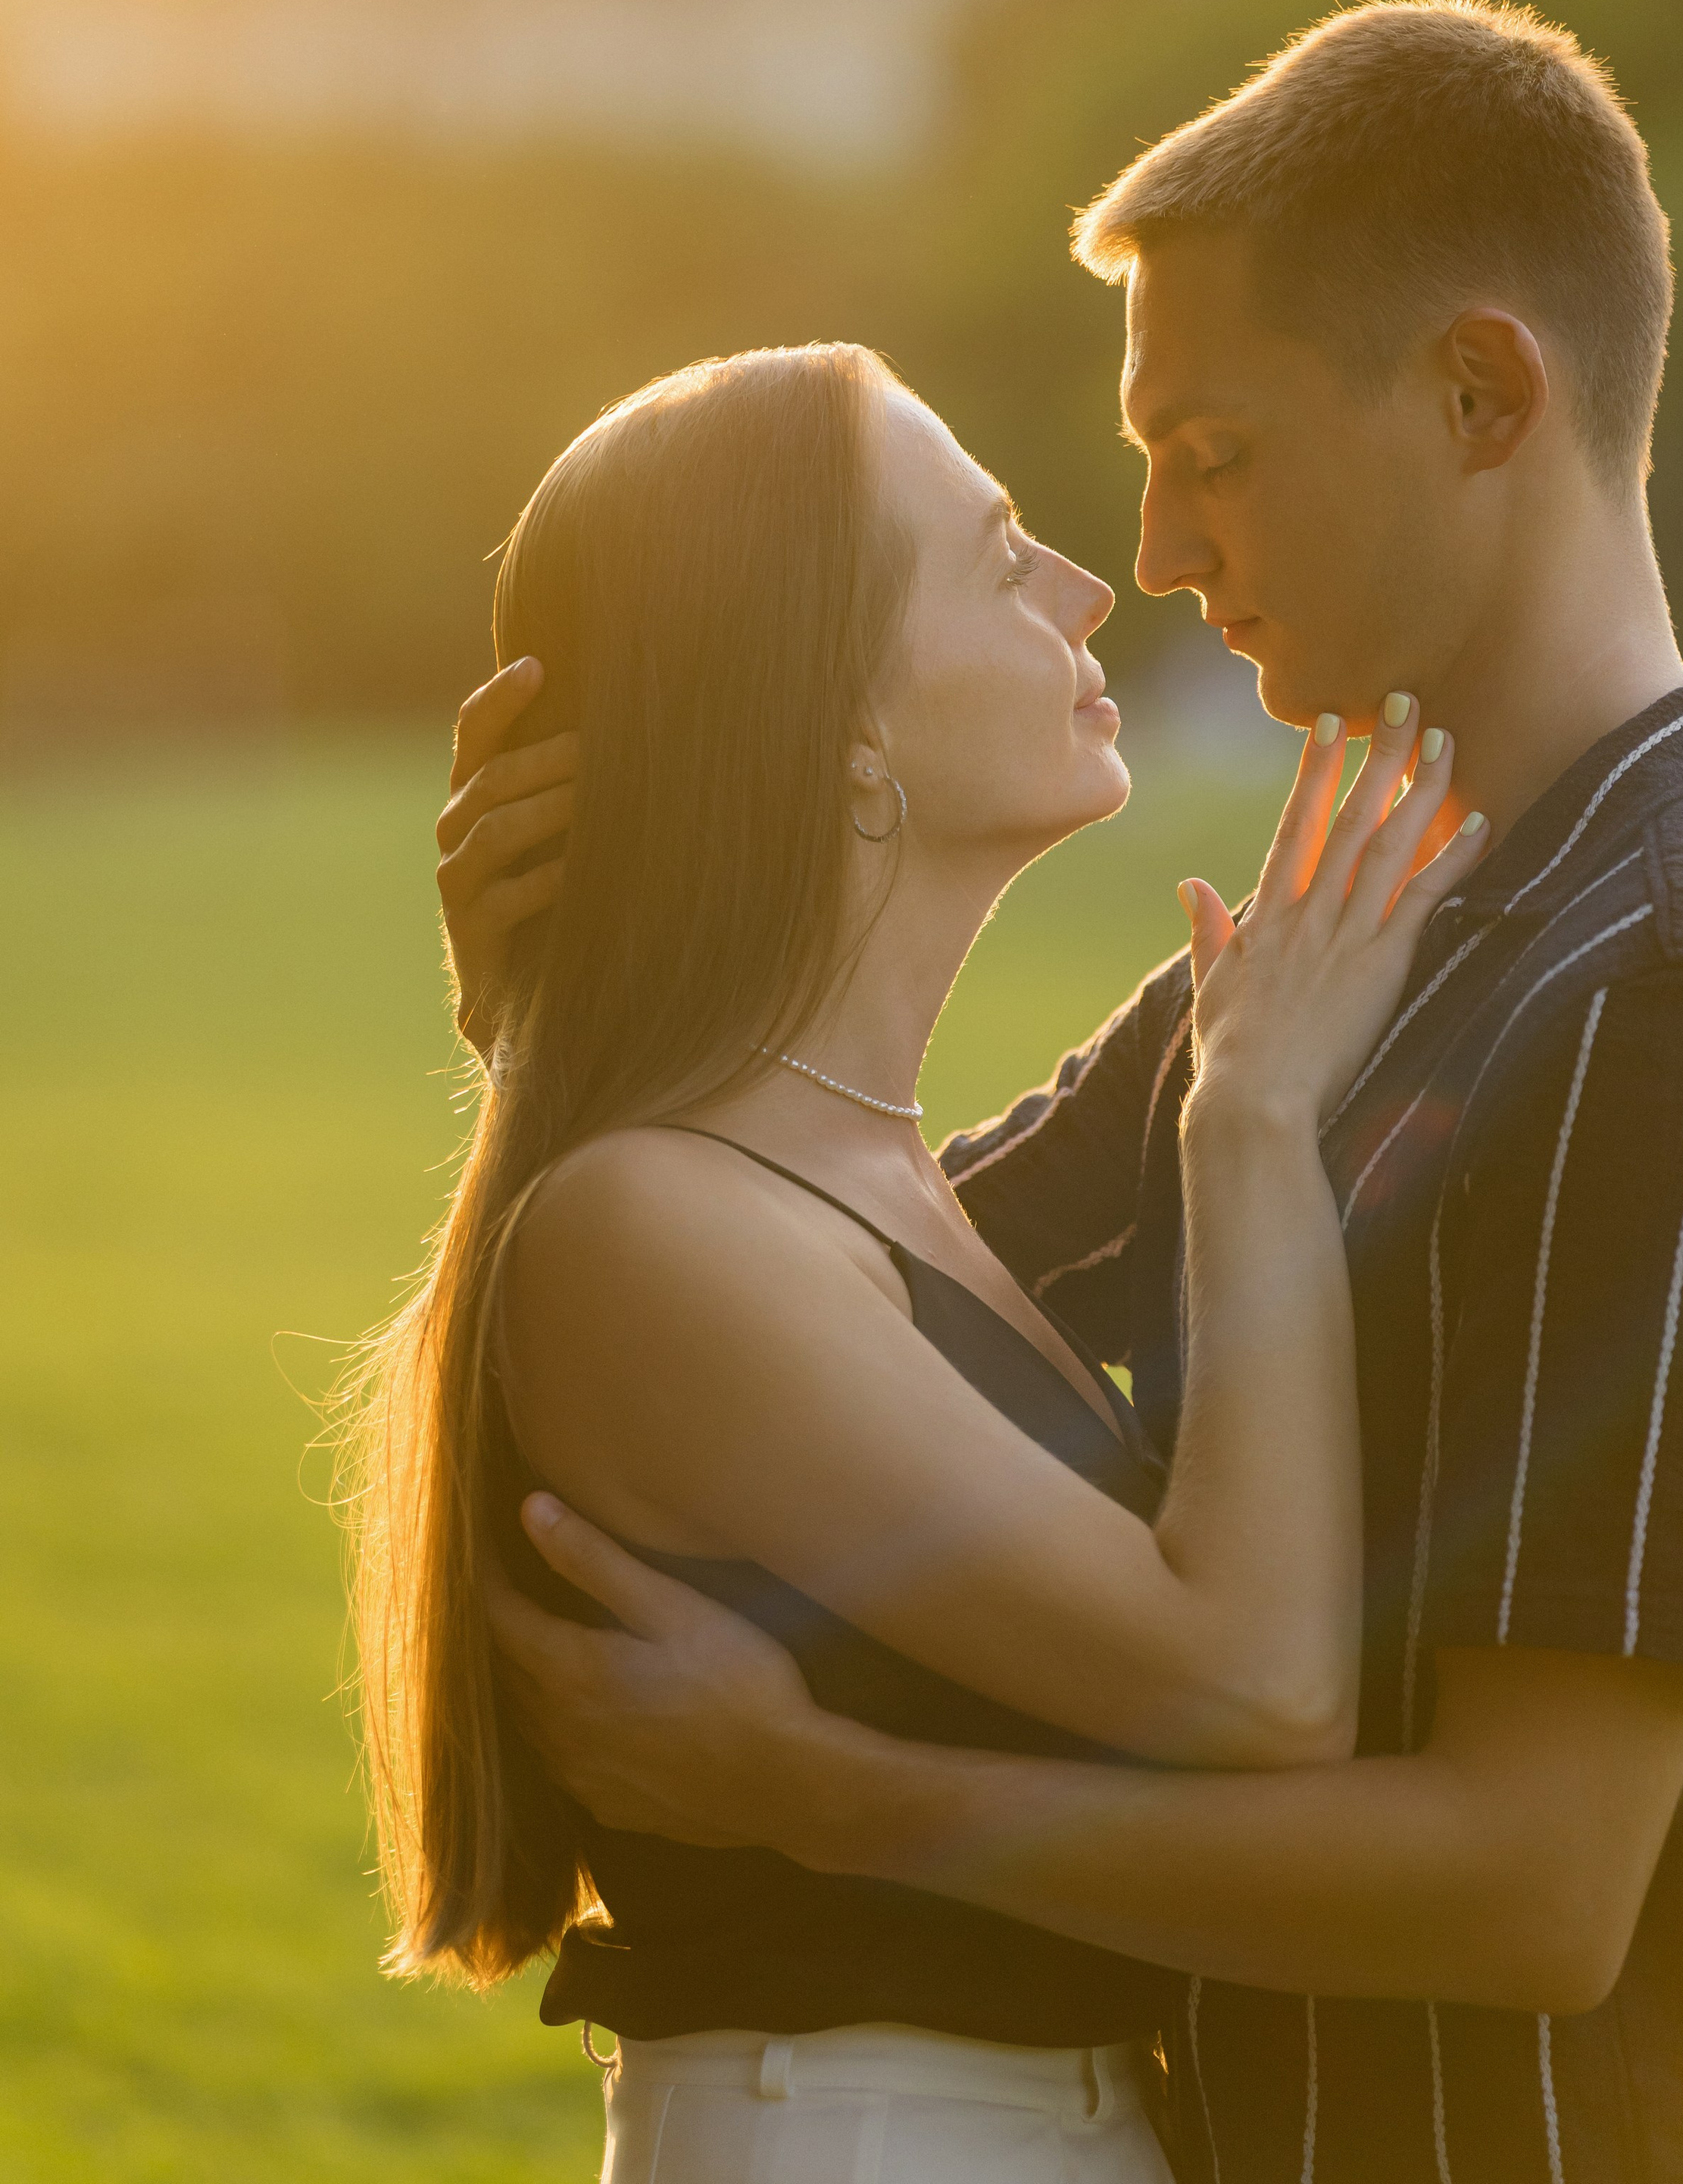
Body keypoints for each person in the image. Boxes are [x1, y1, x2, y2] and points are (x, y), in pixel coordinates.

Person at [451, 0, 1683, 2184]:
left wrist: (838, 1802)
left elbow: (1532, 1894)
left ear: (1477, 394)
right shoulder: (1330, 971)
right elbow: (836, 1315)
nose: (1150, 549)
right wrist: (553, 1012)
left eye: (1214, 451)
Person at [354, 336, 1493, 2184]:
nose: (1085, 585)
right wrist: (1249, 1120)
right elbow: (1262, 1690)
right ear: (835, 725)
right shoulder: (659, 1224)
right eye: (995, 554)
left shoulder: (843, 1181)